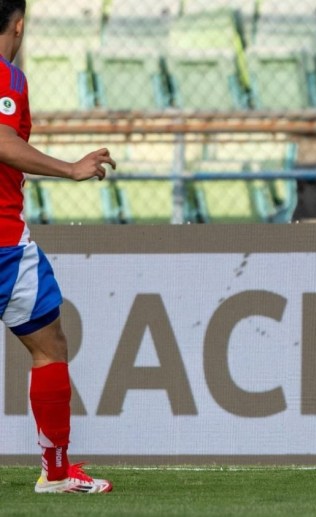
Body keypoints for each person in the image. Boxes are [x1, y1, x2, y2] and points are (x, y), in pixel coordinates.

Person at [0, 0, 115, 494]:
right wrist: (71, 169)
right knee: (50, 348)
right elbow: (2, 140)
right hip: (3, 245)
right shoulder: (7, 76)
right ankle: (56, 471)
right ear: (19, 24)